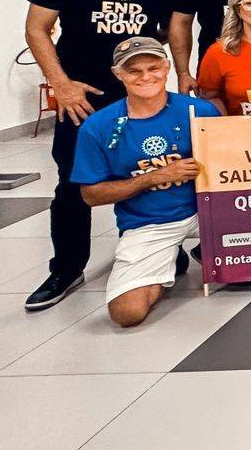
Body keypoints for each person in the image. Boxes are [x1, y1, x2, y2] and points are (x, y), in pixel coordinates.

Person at [23, 0, 178, 311]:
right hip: (83, 98)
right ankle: (66, 267)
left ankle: (160, 247)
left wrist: (157, 76)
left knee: (154, 168)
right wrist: (61, 85)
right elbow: (37, 29)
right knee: (74, 181)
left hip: (140, 94)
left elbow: (169, 32)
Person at [71, 37, 220, 327]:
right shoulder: (98, 126)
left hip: (209, 211)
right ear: (118, 74)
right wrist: (155, 177)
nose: (146, 77)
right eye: (134, 71)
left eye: (153, 68)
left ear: (167, 68)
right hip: (151, 221)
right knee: (127, 313)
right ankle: (167, 262)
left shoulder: (199, 111)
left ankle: (209, 250)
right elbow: (91, 195)